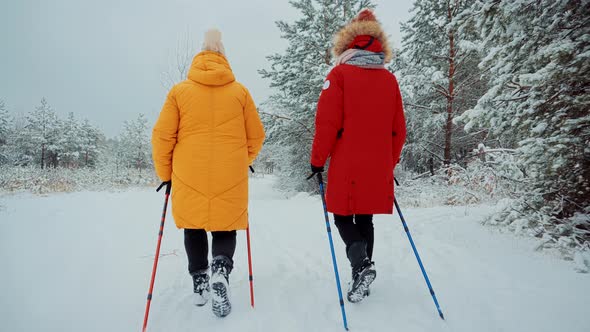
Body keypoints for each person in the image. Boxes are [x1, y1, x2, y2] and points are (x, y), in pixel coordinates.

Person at [152, 28, 265, 317]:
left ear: (198, 60)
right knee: (225, 224)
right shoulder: (240, 92)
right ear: (225, 60)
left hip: (189, 170)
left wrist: (166, 173)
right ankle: (221, 268)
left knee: (194, 224)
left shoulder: (179, 92)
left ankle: (200, 281)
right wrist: (244, 158)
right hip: (230, 170)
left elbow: (163, 136)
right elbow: (257, 135)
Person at [310, 9, 407, 303]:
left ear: (349, 42)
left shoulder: (339, 75)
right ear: (378, 44)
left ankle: (361, 265)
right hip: (378, 164)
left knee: (342, 216)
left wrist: (317, 160)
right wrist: (387, 164)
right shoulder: (390, 81)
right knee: (365, 218)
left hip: (347, 162)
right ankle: (361, 272)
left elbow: (327, 123)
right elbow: (399, 130)